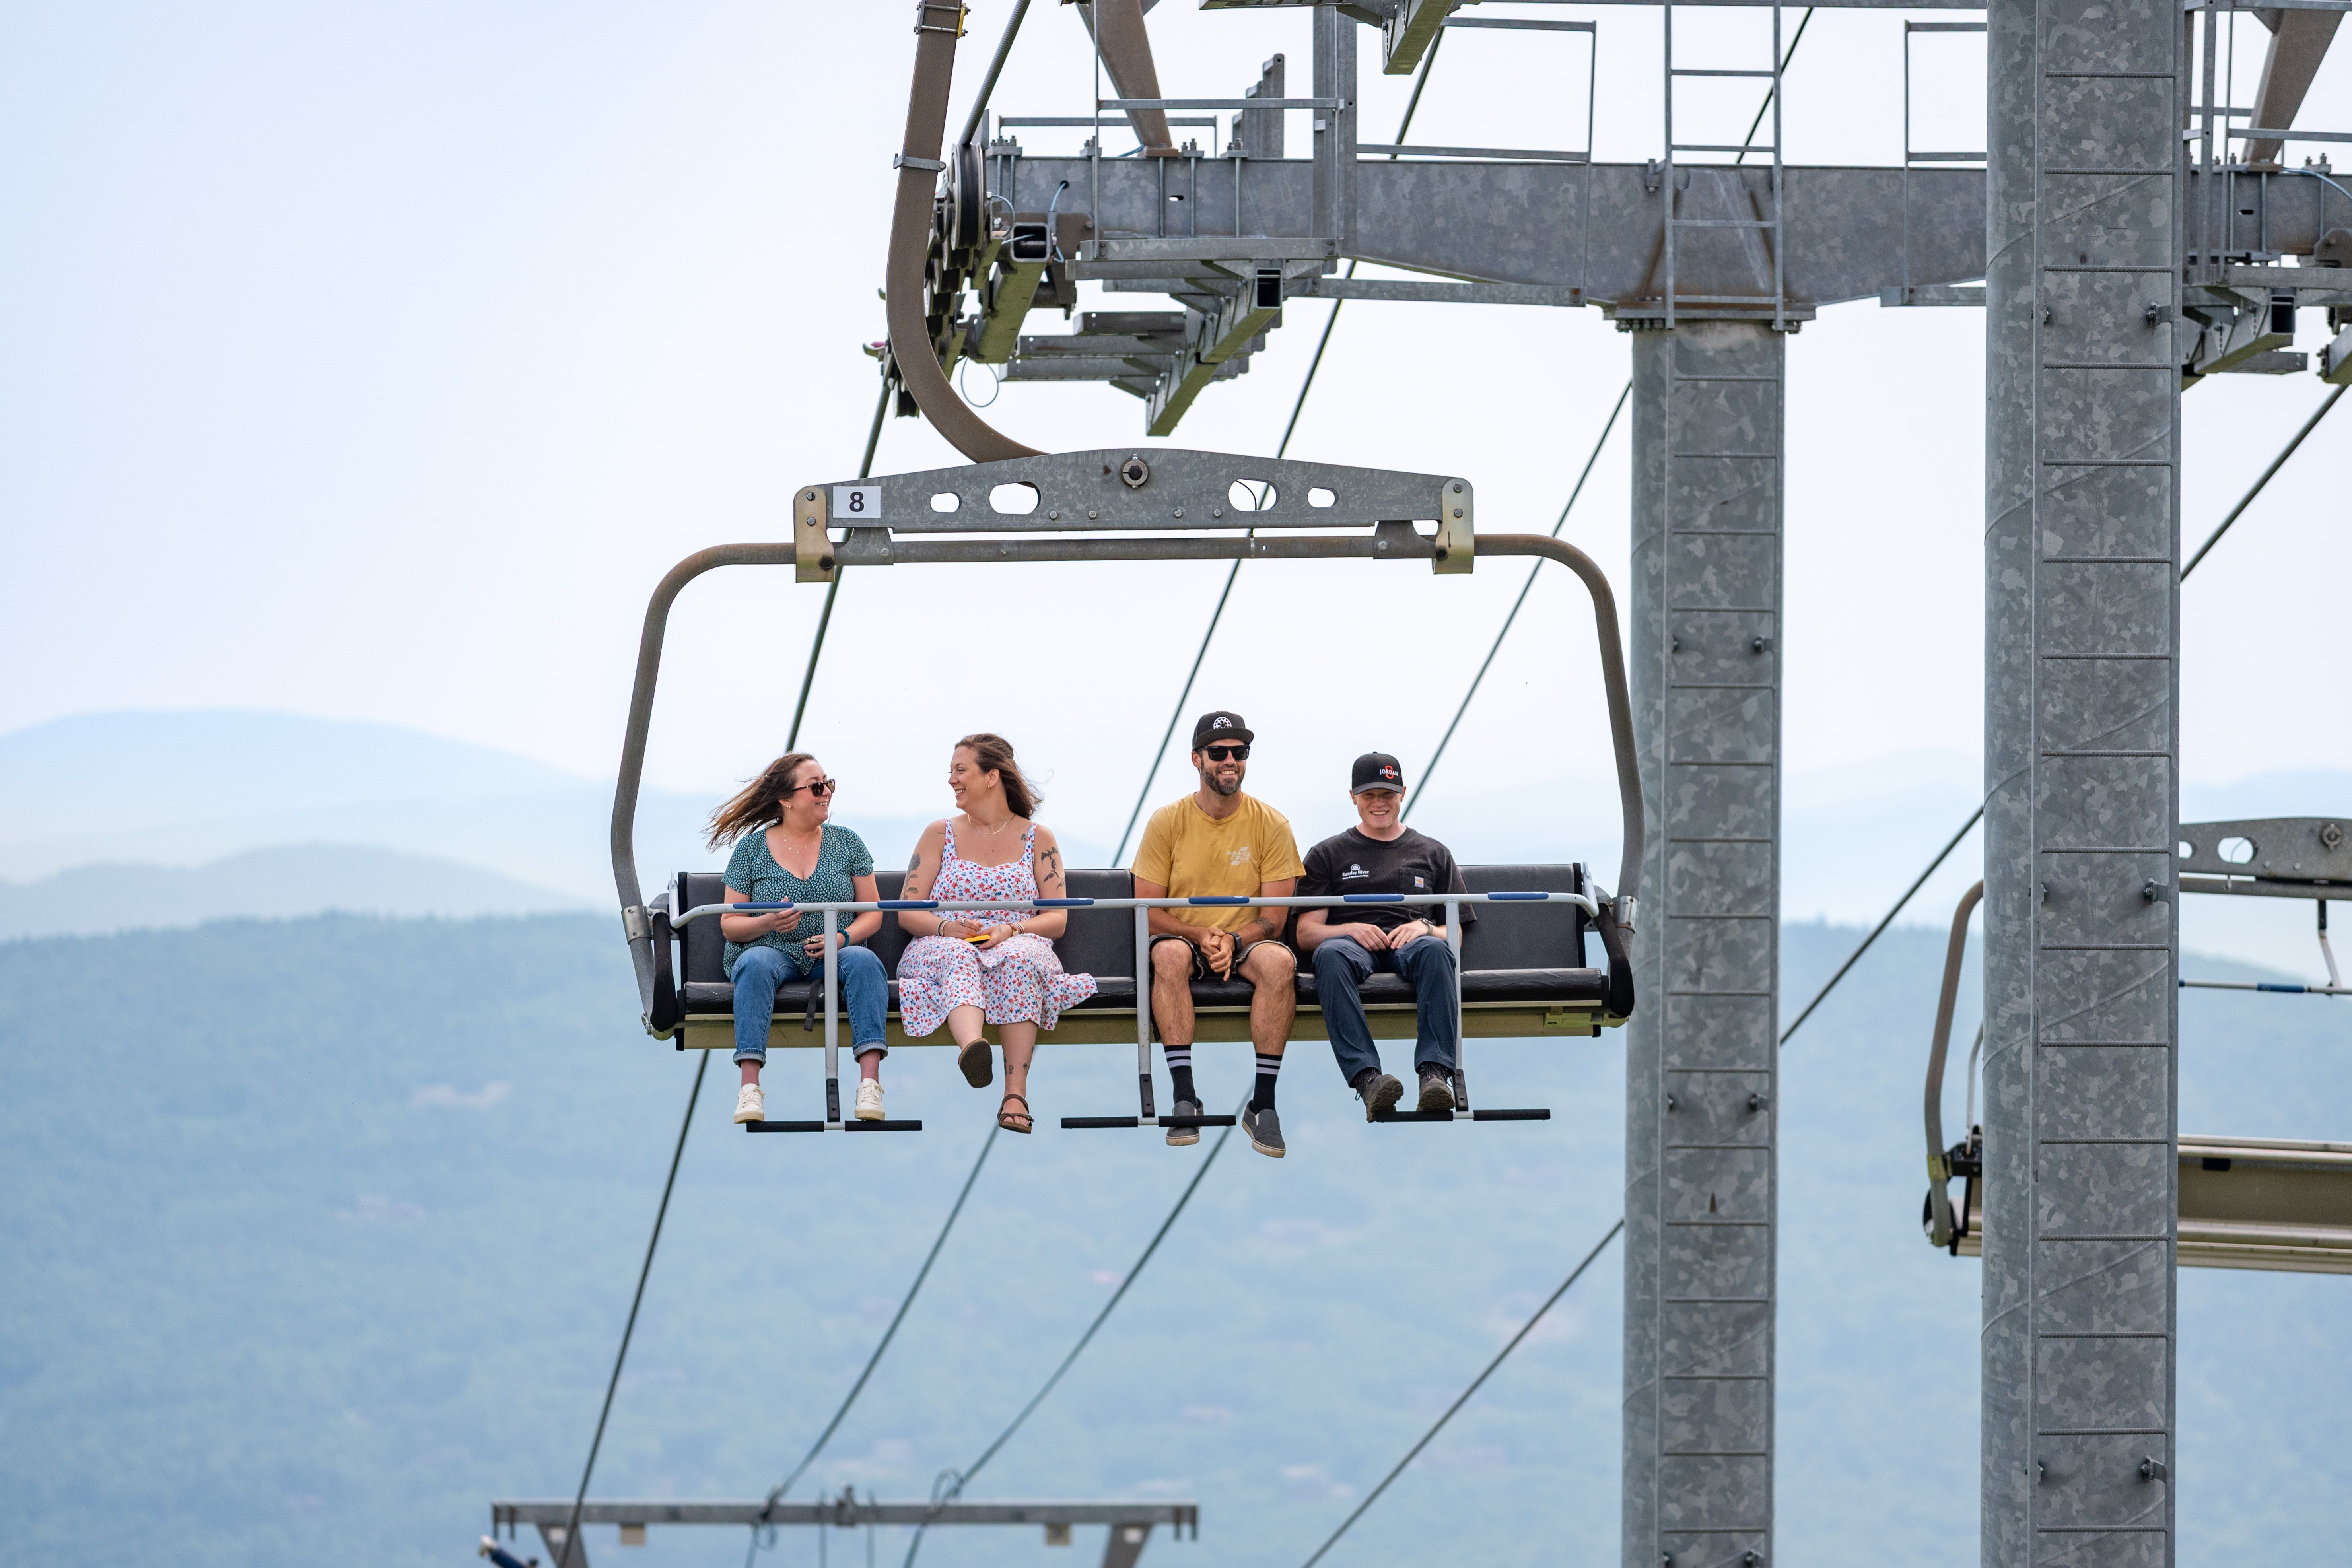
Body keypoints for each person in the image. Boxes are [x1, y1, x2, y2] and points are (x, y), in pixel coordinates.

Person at [896, 734, 1098, 1133]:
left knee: (1020, 958)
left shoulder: (1038, 838)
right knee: (958, 956)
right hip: (947, 941)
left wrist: (1012, 928)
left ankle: (1015, 1094)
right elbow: (908, 909)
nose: (952, 780)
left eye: (960, 770)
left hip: (1017, 938)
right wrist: (947, 927)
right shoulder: (939, 834)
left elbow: (1056, 918)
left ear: (991, 776)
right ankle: (973, 1047)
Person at [1131, 710, 1304, 1158]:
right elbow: (1146, 910)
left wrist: (1234, 941)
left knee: (1280, 962)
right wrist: (1200, 934)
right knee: (1167, 957)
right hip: (1183, 937)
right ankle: (1184, 1096)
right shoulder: (1167, 822)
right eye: (1218, 752)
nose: (1230, 760)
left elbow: (1275, 917)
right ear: (1197, 759)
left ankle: (1263, 1105)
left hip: (1245, 941)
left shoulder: (1271, 824)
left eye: (1239, 752)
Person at [706, 752, 887, 1125]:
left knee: (866, 962)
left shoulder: (847, 843)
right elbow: (729, 923)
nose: (827, 793)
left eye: (829, 783)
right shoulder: (752, 850)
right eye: (817, 786)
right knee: (755, 964)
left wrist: (843, 936)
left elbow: (874, 912)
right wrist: (769, 922)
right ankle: (749, 1087)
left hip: (835, 951)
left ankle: (870, 1083)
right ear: (786, 799)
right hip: (773, 950)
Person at [1295, 752, 1476, 1118]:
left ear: (1402, 793)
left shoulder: (1434, 853)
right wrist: (1351, 929)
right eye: (1369, 796)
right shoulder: (1328, 854)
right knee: (1329, 956)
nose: (1379, 804)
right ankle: (1368, 1079)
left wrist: (1424, 927)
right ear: (1353, 797)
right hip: (1351, 945)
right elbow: (1306, 932)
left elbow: (1453, 932)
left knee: (1437, 952)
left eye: (1387, 795)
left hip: (1412, 943)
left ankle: (1435, 1074)